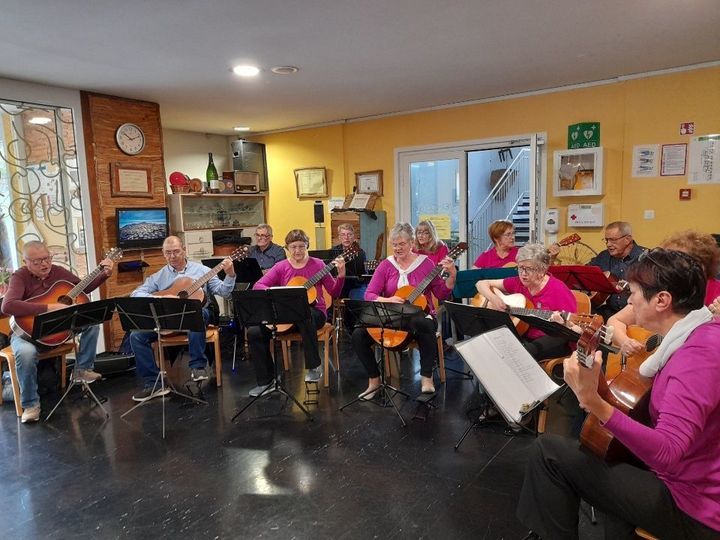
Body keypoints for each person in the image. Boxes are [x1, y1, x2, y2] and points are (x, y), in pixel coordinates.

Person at [517, 249, 720, 539]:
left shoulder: (696, 357)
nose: (629, 301)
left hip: (695, 509)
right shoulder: (696, 335)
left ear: (662, 300)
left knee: (548, 452)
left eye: (633, 293)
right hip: (687, 482)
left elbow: (667, 452)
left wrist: (592, 402)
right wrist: (595, 383)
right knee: (604, 455)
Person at [2, 241, 114, 423]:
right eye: (37, 261)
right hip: (26, 335)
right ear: (25, 262)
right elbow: (8, 306)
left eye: (47, 258)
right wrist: (49, 307)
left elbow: (83, 287)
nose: (44, 264)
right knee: (25, 354)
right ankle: (30, 405)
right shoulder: (20, 277)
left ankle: (82, 369)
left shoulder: (58, 272)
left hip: (57, 330)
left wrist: (104, 275)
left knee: (92, 322)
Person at [351, 223, 457, 397]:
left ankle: (427, 377)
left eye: (402, 244)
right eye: (394, 244)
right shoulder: (386, 265)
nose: (397, 248)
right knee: (358, 335)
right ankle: (374, 381)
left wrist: (452, 275)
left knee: (426, 325)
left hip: (419, 316)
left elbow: (440, 292)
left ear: (412, 243)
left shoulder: (426, 263)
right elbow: (369, 294)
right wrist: (388, 300)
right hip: (392, 317)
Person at [129, 236, 235, 401]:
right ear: (163, 253)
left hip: (199, 315)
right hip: (169, 320)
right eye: (168, 253)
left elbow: (225, 293)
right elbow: (136, 293)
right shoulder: (159, 276)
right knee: (136, 336)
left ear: (184, 250)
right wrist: (163, 297)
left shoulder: (202, 270)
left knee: (196, 313)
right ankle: (154, 384)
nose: (172, 256)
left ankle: (197, 367)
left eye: (176, 251)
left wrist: (230, 274)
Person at [247, 229, 345, 396]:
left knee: (305, 315)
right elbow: (258, 285)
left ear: (307, 246)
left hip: (315, 313)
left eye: (301, 246)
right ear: (287, 248)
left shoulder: (318, 265)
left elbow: (334, 292)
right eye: (293, 247)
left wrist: (341, 275)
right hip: (287, 314)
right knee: (254, 332)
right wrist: (278, 292)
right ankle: (266, 381)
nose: (297, 250)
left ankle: (314, 367)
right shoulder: (281, 266)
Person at [608, 230, 720, 358]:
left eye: (671, 261)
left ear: (698, 267)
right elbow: (615, 321)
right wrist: (625, 342)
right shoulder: (660, 291)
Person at [475, 243, 577, 360]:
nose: (523, 274)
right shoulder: (517, 282)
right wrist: (494, 299)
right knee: (488, 346)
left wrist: (562, 323)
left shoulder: (558, 289)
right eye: (520, 268)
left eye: (528, 269)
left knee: (519, 353)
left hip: (551, 338)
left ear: (542, 270)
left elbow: (573, 327)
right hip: (523, 334)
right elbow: (481, 284)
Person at [588, 221, 646, 321]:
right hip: (607, 313)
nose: (608, 244)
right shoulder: (603, 256)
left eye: (613, 240)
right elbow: (585, 273)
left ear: (627, 239)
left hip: (636, 314)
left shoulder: (645, 258)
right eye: (606, 240)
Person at [330, 223, 367, 299]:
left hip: (355, 286)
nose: (346, 237)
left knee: (362, 295)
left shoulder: (361, 253)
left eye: (349, 234)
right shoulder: (332, 252)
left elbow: (363, 274)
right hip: (338, 285)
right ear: (339, 237)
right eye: (343, 234)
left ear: (353, 236)